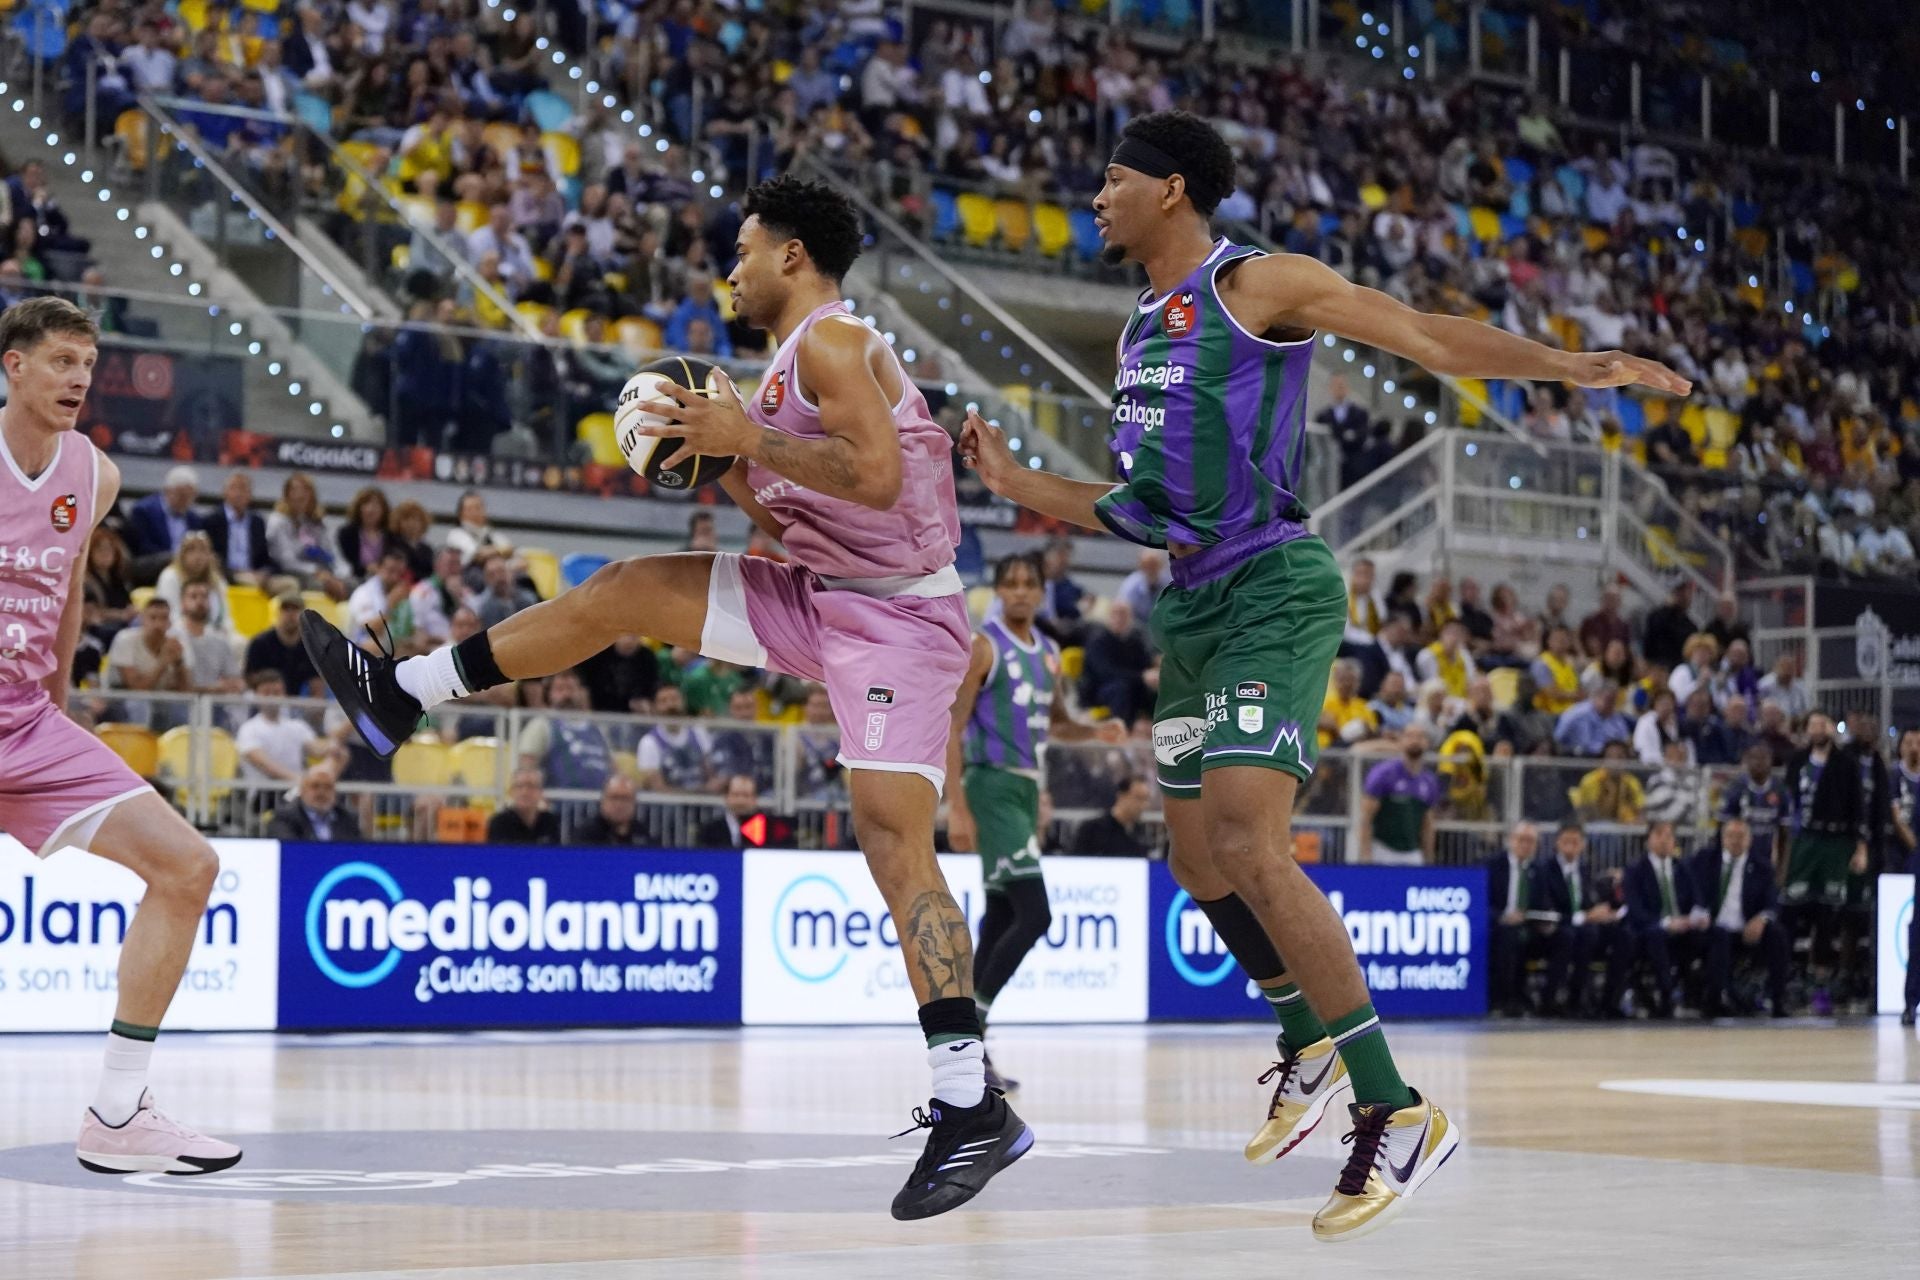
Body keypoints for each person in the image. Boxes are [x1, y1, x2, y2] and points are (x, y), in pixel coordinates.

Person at [961, 108, 1684, 1237]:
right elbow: (1134, 509)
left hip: (1274, 588)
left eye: (1113, 178)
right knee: (1195, 851)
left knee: (1252, 838)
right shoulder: (1141, 329)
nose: (1095, 195)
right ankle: (1304, 1034)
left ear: (1174, 190)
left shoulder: (1257, 283)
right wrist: (1013, 477)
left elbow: (1424, 335)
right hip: (1190, 604)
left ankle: (1396, 1107)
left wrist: (1568, 366)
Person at [298, 175, 1030, 1220]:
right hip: (826, 593)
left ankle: (971, 1104)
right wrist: (711, 464)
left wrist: (747, 443)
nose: (729, 269)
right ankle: (404, 691)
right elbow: (797, 524)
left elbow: (874, 479)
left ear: (790, 256)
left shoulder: (832, 340)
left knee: (892, 840)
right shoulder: (776, 373)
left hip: (902, 617)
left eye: (742, 249)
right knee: (627, 590)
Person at [0, 298, 241, 1174]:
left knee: (189, 867)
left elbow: (67, 590)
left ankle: (117, 1109)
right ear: (14, 365)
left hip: (28, 721)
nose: (77, 380)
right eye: (61, 361)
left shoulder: (91, 474)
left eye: (87, 366)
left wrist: (59, 702)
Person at [945, 551, 1125, 1091]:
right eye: (1012, 582)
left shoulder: (1048, 651)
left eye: (1030, 583)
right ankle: (970, 1030)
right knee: (1036, 912)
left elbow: (1056, 724)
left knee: (1000, 915)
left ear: (1043, 593)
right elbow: (953, 724)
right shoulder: (984, 647)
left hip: (1024, 787)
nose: (1021, 591)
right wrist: (954, 803)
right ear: (999, 591)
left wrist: (1095, 732)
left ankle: (966, 1050)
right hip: (991, 782)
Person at [1782, 711, 1869, 1017]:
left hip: (1835, 843)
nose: (1818, 729)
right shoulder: (1797, 760)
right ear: (1806, 730)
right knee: (1791, 907)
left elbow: (1858, 806)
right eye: (1812, 725)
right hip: (1804, 841)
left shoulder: (1846, 763)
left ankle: (1822, 980)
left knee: (1829, 913)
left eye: (1823, 724)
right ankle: (1787, 977)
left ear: (1831, 729)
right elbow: (1786, 802)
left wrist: (1860, 848)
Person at [1689, 816, 1790, 1018]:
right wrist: (1698, 913)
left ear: (1749, 840)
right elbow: (1690, 890)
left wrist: (1762, 918)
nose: (1735, 841)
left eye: (1741, 836)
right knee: (1719, 936)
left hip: (1747, 930)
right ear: (1722, 838)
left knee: (1777, 934)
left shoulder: (1762, 867)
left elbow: (1772, 902)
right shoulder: (1704, 860)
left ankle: (1778, 999)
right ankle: (1715, 999)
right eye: (1730, 836)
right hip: (1712, 929)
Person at [1528, 822, 1631, 1018]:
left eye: (1576, 842)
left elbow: (1589, 902)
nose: (1571, 846)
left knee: (1623, 936)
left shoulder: (1584, 869)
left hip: (1585, 929)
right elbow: (1545, 908)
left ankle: (1609, 1002)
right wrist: (1584, 917)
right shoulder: (1544, 870)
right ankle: (1561, 999)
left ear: (1583, 845)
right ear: (1557, 843)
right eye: (1567, 841)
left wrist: (1604, 913)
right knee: (1576, 935)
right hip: (1554, 930)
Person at [1622, 820, 1706, 1018]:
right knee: (1656, 935)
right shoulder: (1635, 870)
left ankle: (1708, 997)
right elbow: (1636, 911)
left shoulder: (1683, 868)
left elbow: (1697, 900)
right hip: (1649, 929)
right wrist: (1667, 923)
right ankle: (1666, 995)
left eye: (1668, 836)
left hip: (1683, 928)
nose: (1664, 840)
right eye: (1658, 835)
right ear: (1648, 840)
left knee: (1715, 935)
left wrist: (1698, 916)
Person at [1360, 725, 1440, 865]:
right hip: (1383, 849)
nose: (1415, 741)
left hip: (1412, 852)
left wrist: (1429, 860)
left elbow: (1427, 824)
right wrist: (1366, 856)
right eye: (1410, 736)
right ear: (1401, 740)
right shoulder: (1383, 774)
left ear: (1427, 743)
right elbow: (1366, 818)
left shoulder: (1429, 781)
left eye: (1420, 737)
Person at [1486, 822, 1539, 1016]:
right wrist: (1502, 917)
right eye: (1521, 840)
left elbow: (1544, 902)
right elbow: (1480, 902)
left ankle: (1543, 1001)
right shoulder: (1492, 865)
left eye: (1531, 841)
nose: (1526, 845)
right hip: (1499, 925)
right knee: (1509, 937)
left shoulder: (1538, 869)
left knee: (1563, 938)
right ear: (1510, 841)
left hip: (1530, 926)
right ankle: (1504, 1000)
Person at [266, 472, 346, 599]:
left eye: (305, 491)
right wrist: (316, 571)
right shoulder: (277, 521)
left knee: (350, 584)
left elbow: (333, 554)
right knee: (322, 586)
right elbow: (287, 561)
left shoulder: (318, 523)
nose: (300, 495)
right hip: (290, 573)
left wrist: (340, 575)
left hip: (324, 572)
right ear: (286, 495)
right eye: (295, 490)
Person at [124, 464, 204, 583]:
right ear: (168, 491)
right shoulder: (143, 511)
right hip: (152, 569)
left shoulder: (193, 519)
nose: (186, 501)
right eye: (182, 496)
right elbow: (142, 547)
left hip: (186, 572)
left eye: (190, 497)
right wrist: (177, 559)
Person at [1889, 729, 1920, 1025]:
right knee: (1918, 934)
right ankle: (1911, 1002)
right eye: (1911, 742)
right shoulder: (1895, 778)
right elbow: (1900, 820)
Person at [154, 531, 234, 638]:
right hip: (179, 632)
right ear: (182, 555)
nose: (198, 556)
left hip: (213, 634)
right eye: (191, 550)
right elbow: (170, 616)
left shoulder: (218, 581)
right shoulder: (170, 577)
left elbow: (225, 617)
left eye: (203, 550)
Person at [202, 471, 274, 589]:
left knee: (288, 584)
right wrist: (234, 573)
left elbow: (264, 557)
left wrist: (265, 571)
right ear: (224, 492)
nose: (238, 493)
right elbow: (210, 556)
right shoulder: (211, 521)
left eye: (243, 489)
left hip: (254, 574)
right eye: (234, 488)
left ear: (250, 495)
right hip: (224, 574)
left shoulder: (257, 522)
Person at [244, 592, 320, 694]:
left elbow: (317, 683)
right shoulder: (261, 643)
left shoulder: (312, 646)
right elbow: (250, 677)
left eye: (295, 609)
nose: (290, 614)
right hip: (266, 700)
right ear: (278, 612)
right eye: (285, 609)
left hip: (299, 704)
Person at [266, 763, 362, 841]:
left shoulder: (348, 818)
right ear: (302, 790)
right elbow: (288, 848)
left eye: (328, 787)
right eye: (315, 786)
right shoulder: (284, 818)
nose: (321, 792)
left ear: (335, 792)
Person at [1069, 776, 1156, 857]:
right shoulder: (1092, 830)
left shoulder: (1142, 835)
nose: (1144, 805)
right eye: (1138, 798)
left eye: (1146, 799)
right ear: (1121, 796)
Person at [486, 767, 563, 843]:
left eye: (531, 786)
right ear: (511, 792)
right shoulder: (499, 823)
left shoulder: (550, 822)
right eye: (519, 786)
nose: (525, 792)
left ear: (541, 792)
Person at [576, 773, 650, 846]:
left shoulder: (642, 834)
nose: (619, 805)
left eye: (625, 799)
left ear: (634, 802)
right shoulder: (587, 834)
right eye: (614, 798)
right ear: (603, 801)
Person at [695, 773, 763, 848]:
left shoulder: (766, 830)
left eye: (746, 795)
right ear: (726, 797)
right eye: (736, 795)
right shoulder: (709, 831)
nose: (740, 801)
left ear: (755, 799)